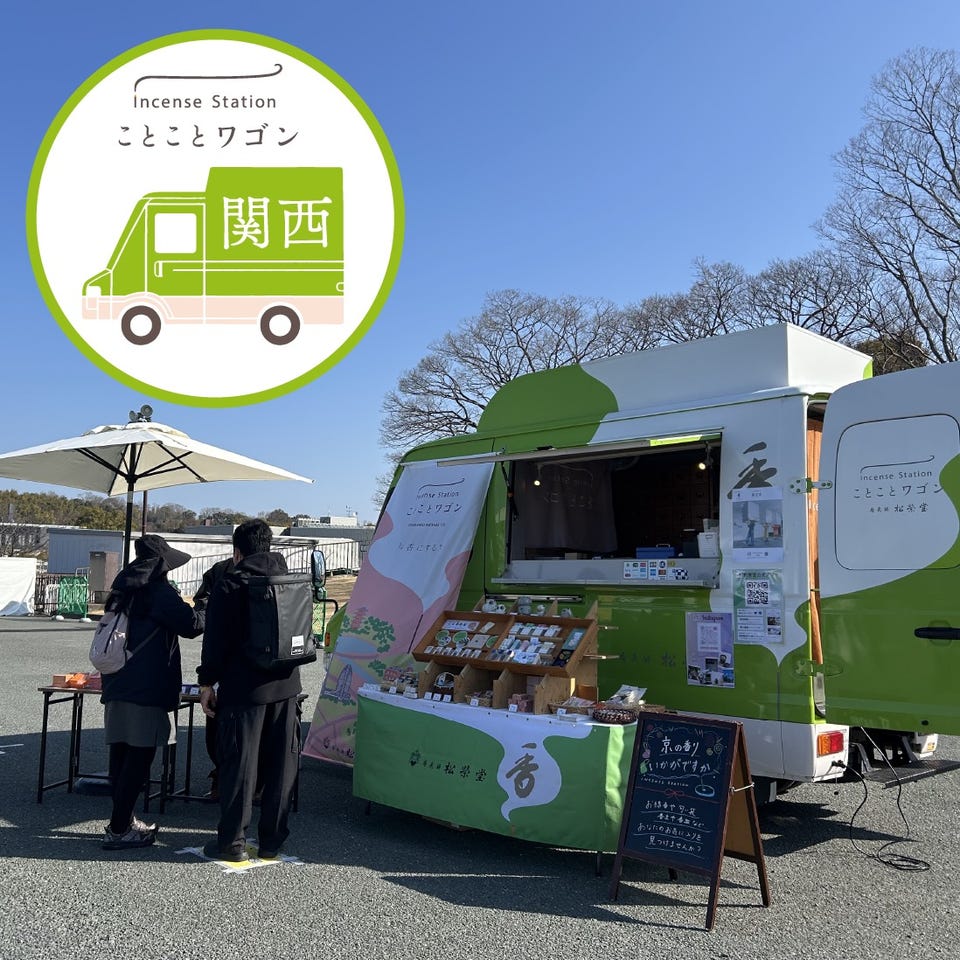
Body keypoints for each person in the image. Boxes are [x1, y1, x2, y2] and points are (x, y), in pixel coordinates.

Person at [197, 519, 302, 862]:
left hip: (244, 689)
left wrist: (206, 682)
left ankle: (233, 841)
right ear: (269, 546)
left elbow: (216, 641)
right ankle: (272, 841)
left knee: (240, 764)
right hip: (288, 686)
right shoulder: (290, 580)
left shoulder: (231, 584)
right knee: (280, 765)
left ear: (237, 551)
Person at [100, 534, 205, 851]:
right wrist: (205, 604)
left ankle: (123, 820)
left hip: (116, 681)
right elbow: (192, 625)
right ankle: (119, 830)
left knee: (120, 754)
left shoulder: (122, 590)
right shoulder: (158, 592)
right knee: (140, 756)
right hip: (146, 686)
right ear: (161, 565)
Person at [191, 556, 235, 801]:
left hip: (223, 668)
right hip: (271, 674)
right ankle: (255, 785)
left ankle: (225, 780)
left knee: (218, 728)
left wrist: (206, 681)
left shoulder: (221, 572)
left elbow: (203, 611)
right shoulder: (281, 574)